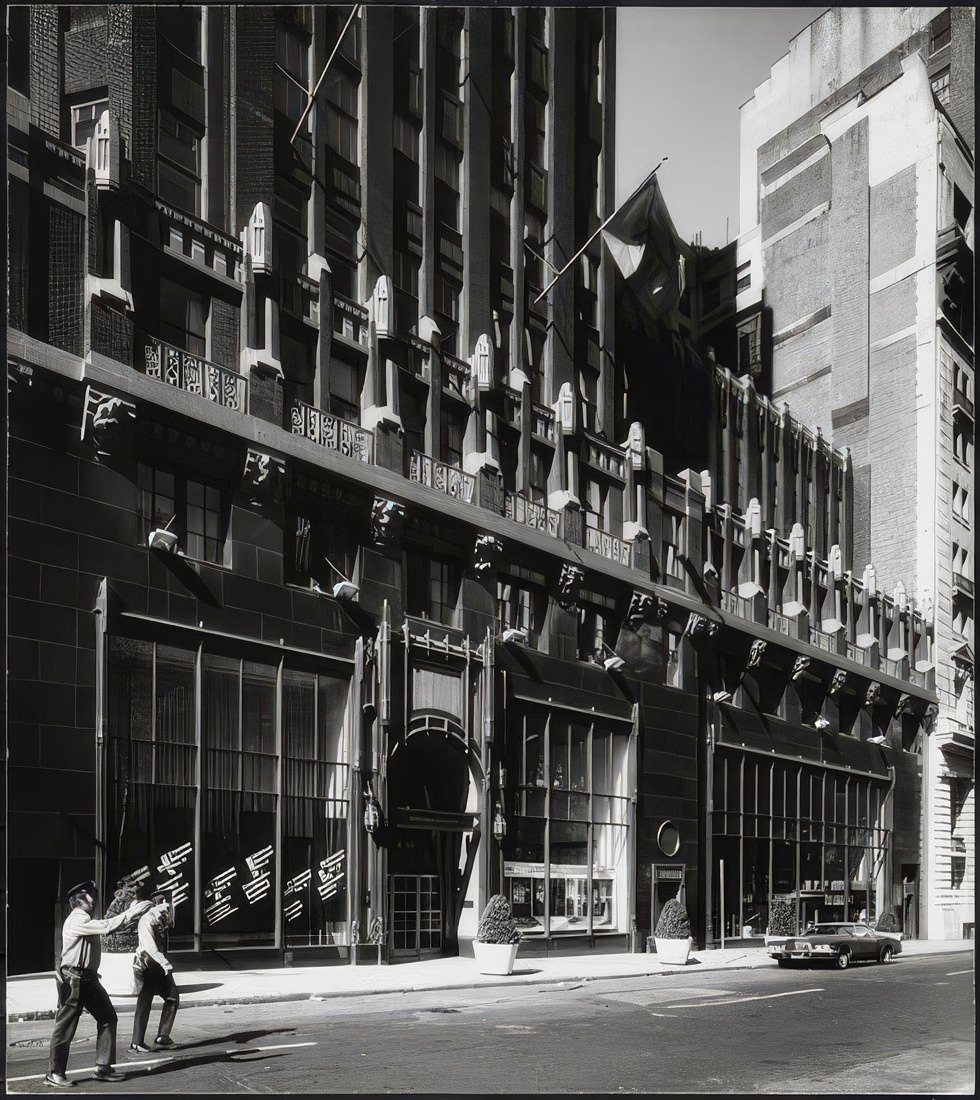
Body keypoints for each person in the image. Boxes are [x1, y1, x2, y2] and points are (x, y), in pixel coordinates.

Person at [46, 881, 152, 1088]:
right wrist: (133, 912)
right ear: (79, 900)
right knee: (65, 1027)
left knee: (107, 1018)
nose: (93, 899)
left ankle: (104, 1068)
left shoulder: (85, 919)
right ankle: (54, 1073)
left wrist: (130, 913)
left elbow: (108, 928)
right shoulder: (77, 919)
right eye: (89, 896)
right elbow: (106, 926)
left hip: (88, 978)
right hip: (74, 978)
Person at [129, 897, 180, 1054]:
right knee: (170, 997)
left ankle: (143, 1041)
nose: (165, 912)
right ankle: (157, 1038)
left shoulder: (158, 920)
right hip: (149, 964)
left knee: (149, 1000)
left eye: (167, 910)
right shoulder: (147, 921)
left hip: (151, 964)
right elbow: (151, 948)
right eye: (163, 909)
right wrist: (165, 963)